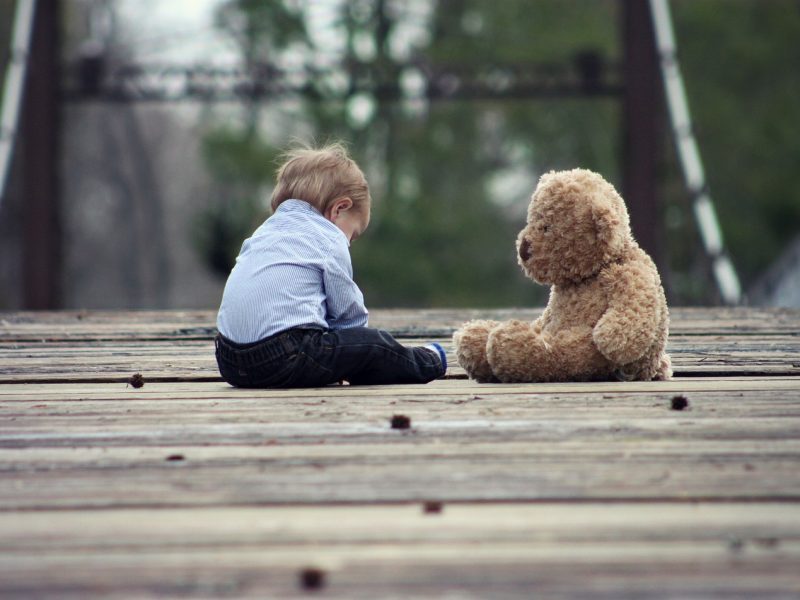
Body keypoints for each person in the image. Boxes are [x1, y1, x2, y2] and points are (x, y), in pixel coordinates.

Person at [215, 142, 447, 388]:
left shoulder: (263, 233)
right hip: (284, 357)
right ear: (339, 208)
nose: (349, 242)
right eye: (353, 234)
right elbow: (349, 316)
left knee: (337, 349)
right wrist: (356, 349)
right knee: (375, 345)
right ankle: (429, 360)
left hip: (229, 360)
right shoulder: (328, 238)